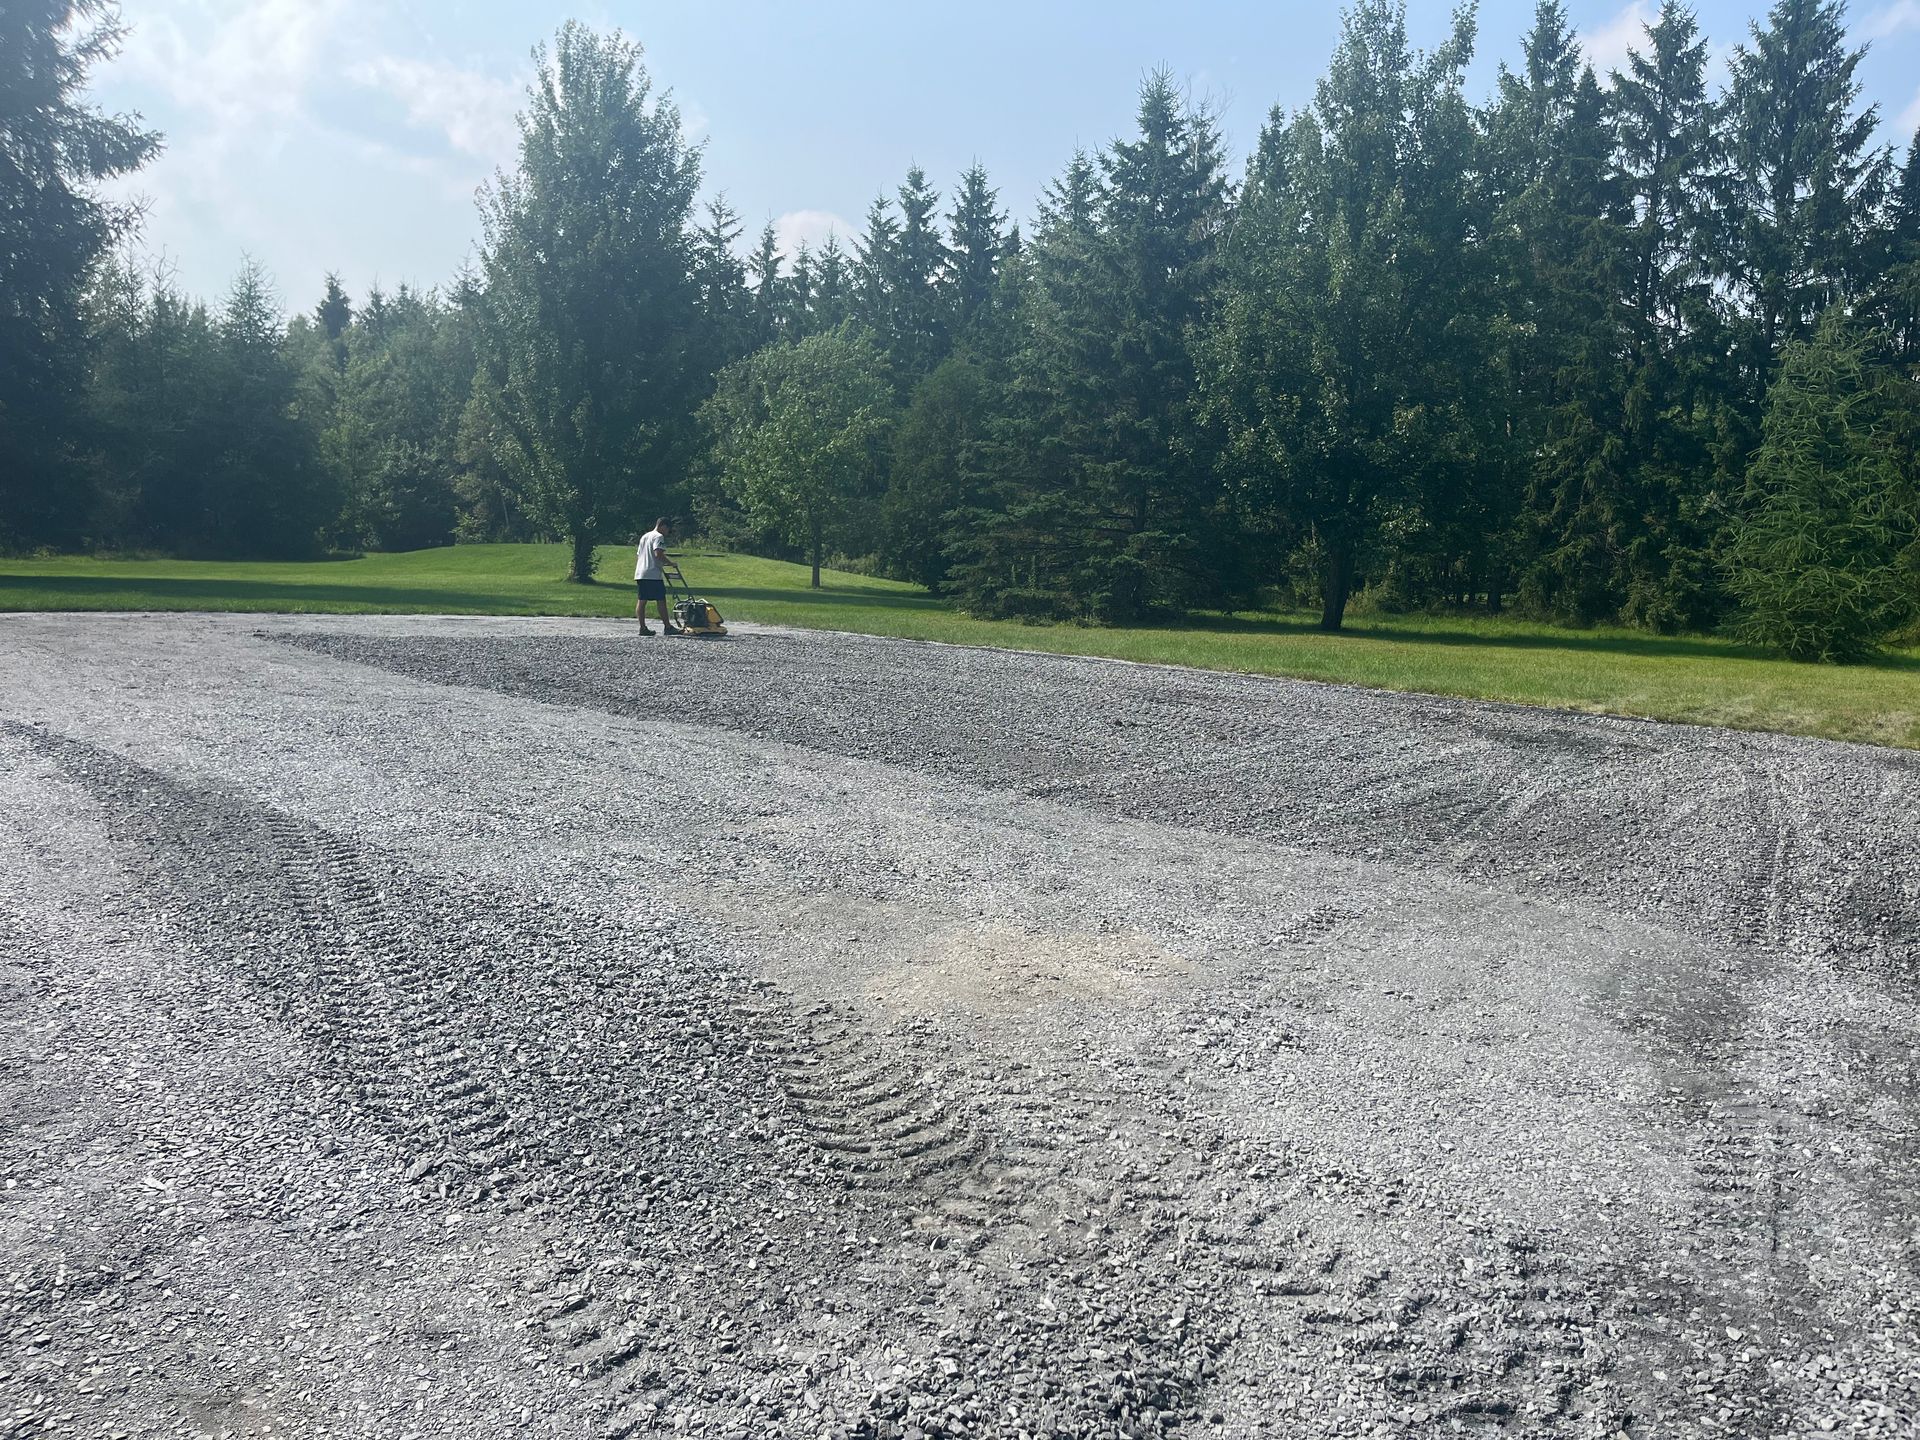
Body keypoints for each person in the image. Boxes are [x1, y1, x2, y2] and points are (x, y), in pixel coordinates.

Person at [634, 517, 680, 635]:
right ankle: (667, 627)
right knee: (661, 599)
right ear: (663, 526)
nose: (667, 533)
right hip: (653, 573)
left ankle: (642, 627)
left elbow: (639, 554)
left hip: (641, 572)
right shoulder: (659, 537)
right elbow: (658, 553)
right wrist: (670, 563)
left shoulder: (645, 536)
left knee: (642, 600)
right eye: (668, 530)